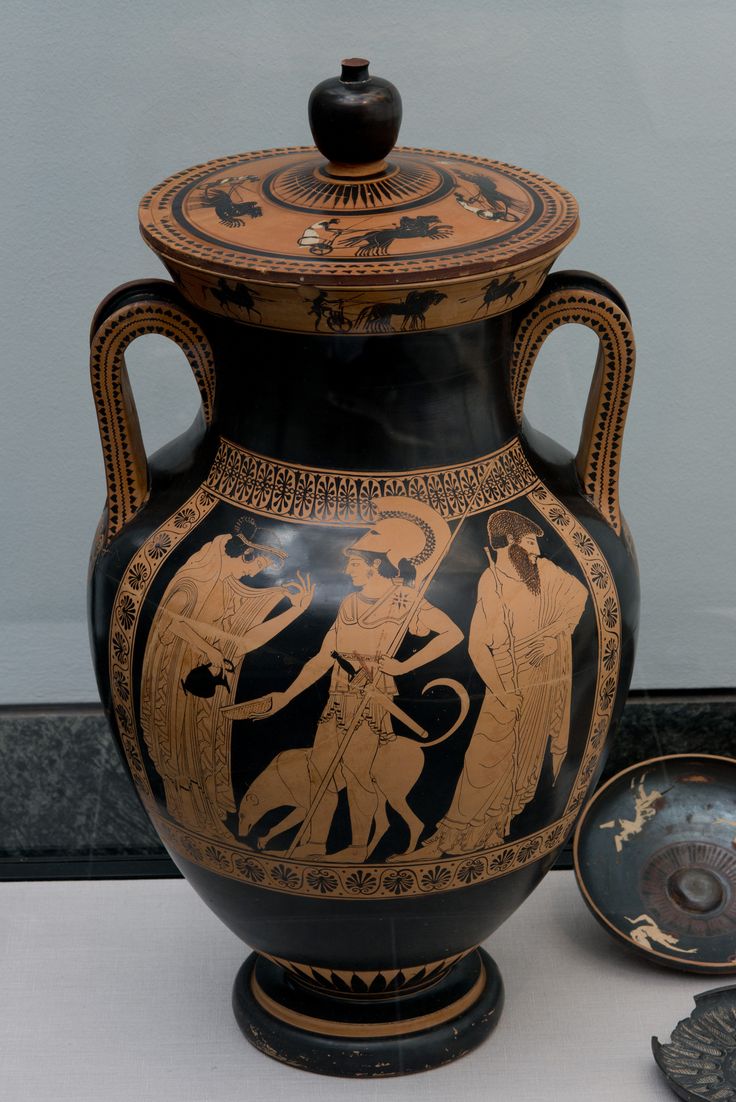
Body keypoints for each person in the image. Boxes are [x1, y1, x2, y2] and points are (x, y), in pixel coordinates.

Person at [232, 496, 464, 862]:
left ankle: (357, 848)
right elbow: (325, 656)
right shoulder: (350, 603)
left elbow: (452, 634)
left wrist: (402, 667)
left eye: (355, 563)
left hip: (371, 703)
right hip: (337, 700)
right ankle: (315, 843)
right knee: (319, 772)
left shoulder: (404, 600)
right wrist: (287, 694)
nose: (348, 570)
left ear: (376, 565)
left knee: (359, 775)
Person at [420, 509, 588, 856]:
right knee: (484, 757)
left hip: (541, 682)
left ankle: (493, 832)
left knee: (522, 762)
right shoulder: (490, 581)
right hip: (504, 684)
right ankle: (454, 837)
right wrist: (502, 690)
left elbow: (579, 595)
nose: (536, 551)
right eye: (528, 543)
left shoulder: (544, 573)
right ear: (508, 542)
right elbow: (477, 645)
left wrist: (554, 635)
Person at [140, 517, 313, 839]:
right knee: (180, 749)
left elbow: (244, 642)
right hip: (178, 682)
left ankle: (203, 818)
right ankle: (184, 811)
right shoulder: (194, 579)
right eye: (259, 563)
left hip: (205, 689)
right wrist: (213, 651)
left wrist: (295, 611)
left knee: (200, 748)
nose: (258, 572)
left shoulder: (227, 588)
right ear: (245, 554)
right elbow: (169, 620)